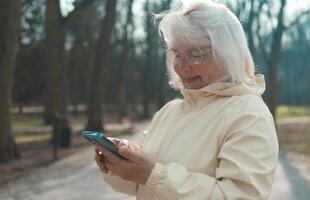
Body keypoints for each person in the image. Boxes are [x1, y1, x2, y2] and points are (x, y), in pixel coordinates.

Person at [95, 0, 279, 199]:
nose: (182, 67)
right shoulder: (171, 111)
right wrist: (121, 162)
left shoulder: (248, 114)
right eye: (177, 53)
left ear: (227, 53)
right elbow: (140, 185)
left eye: (195, 54)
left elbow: (240, 196)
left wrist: (152, 175)